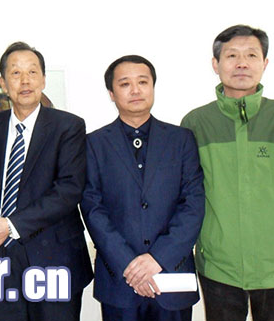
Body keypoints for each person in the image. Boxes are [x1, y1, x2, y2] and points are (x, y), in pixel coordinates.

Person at [181, 25, 274, 321]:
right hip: (219, 264)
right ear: (216, 64)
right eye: (232, 55)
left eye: (251, 55)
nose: (242, 63)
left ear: (264, 63)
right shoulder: (196, 123)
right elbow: (187, 191)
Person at [0, 41, 93, 321]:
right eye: (15, 73)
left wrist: (10, 225)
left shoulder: (69, 126)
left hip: (54, 258)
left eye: (32, 72)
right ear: (3, 83)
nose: (25, 81)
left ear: (43, 80)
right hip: (1, 257)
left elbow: (69, 189)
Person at [81, 55, 204, 321]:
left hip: (172, 275)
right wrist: (129, 264)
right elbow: (92, 209)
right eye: (125, 84)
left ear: (153, 87)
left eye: (143, 82)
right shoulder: (94, 144)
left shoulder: (182, 140)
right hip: (119, 279)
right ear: (112, 93)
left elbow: (193, 205)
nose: (135, 90)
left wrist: (157, 259)